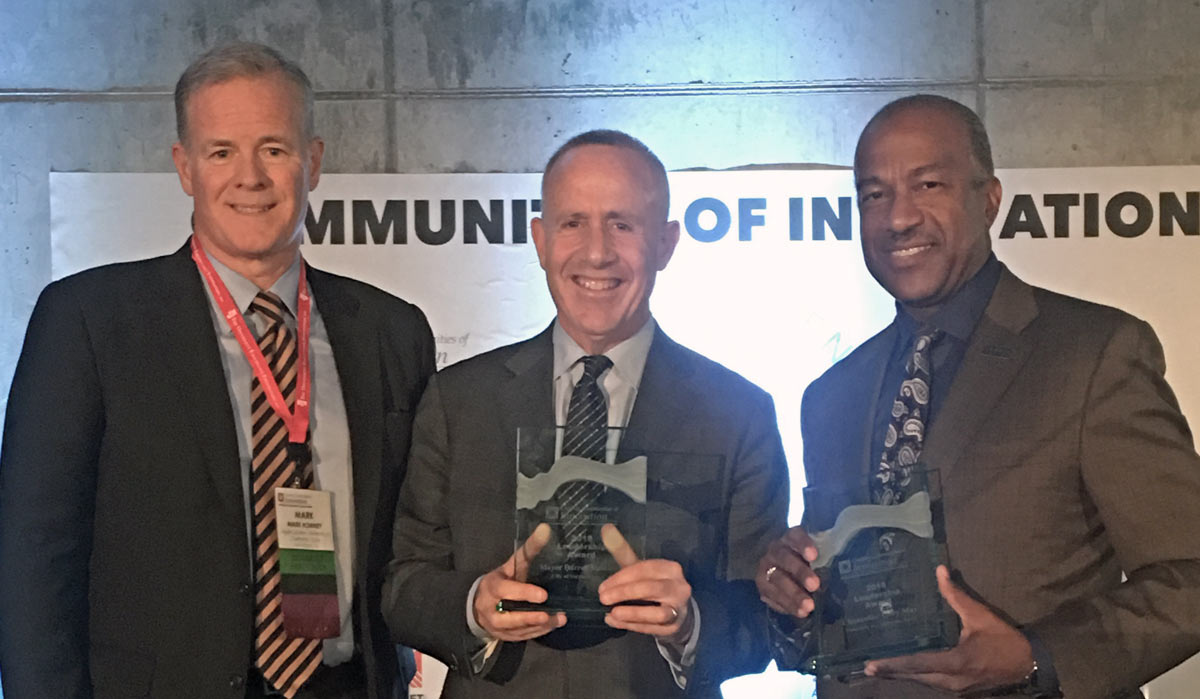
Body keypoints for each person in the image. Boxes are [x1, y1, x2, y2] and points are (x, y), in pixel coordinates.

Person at [0, 42, 434, 699]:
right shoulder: (88, 322)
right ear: (184, 167)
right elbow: (33, 560)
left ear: (312, 161)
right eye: (221, 151)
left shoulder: (392, 331)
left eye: (274, 148)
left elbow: (416, 540)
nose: (250, 177)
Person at [755, 93, 1200, 699]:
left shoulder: (1094, 355)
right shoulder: (830, 395)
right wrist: (793, 598)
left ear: (988, 200)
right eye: (874, 195)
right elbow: (843, 611)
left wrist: (1038, 659)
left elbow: (1189, 576)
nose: (898, 218)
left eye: (928, 184)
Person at [383, 129, 788, 698]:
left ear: (667, 243)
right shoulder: (458, 401)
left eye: (623, 224)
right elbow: (404, 585)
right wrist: (474, 607)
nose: (597, 251)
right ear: (540, 240)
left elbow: (768, 616)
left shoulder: (738, 412)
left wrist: (690, 626)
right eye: (573, 222)